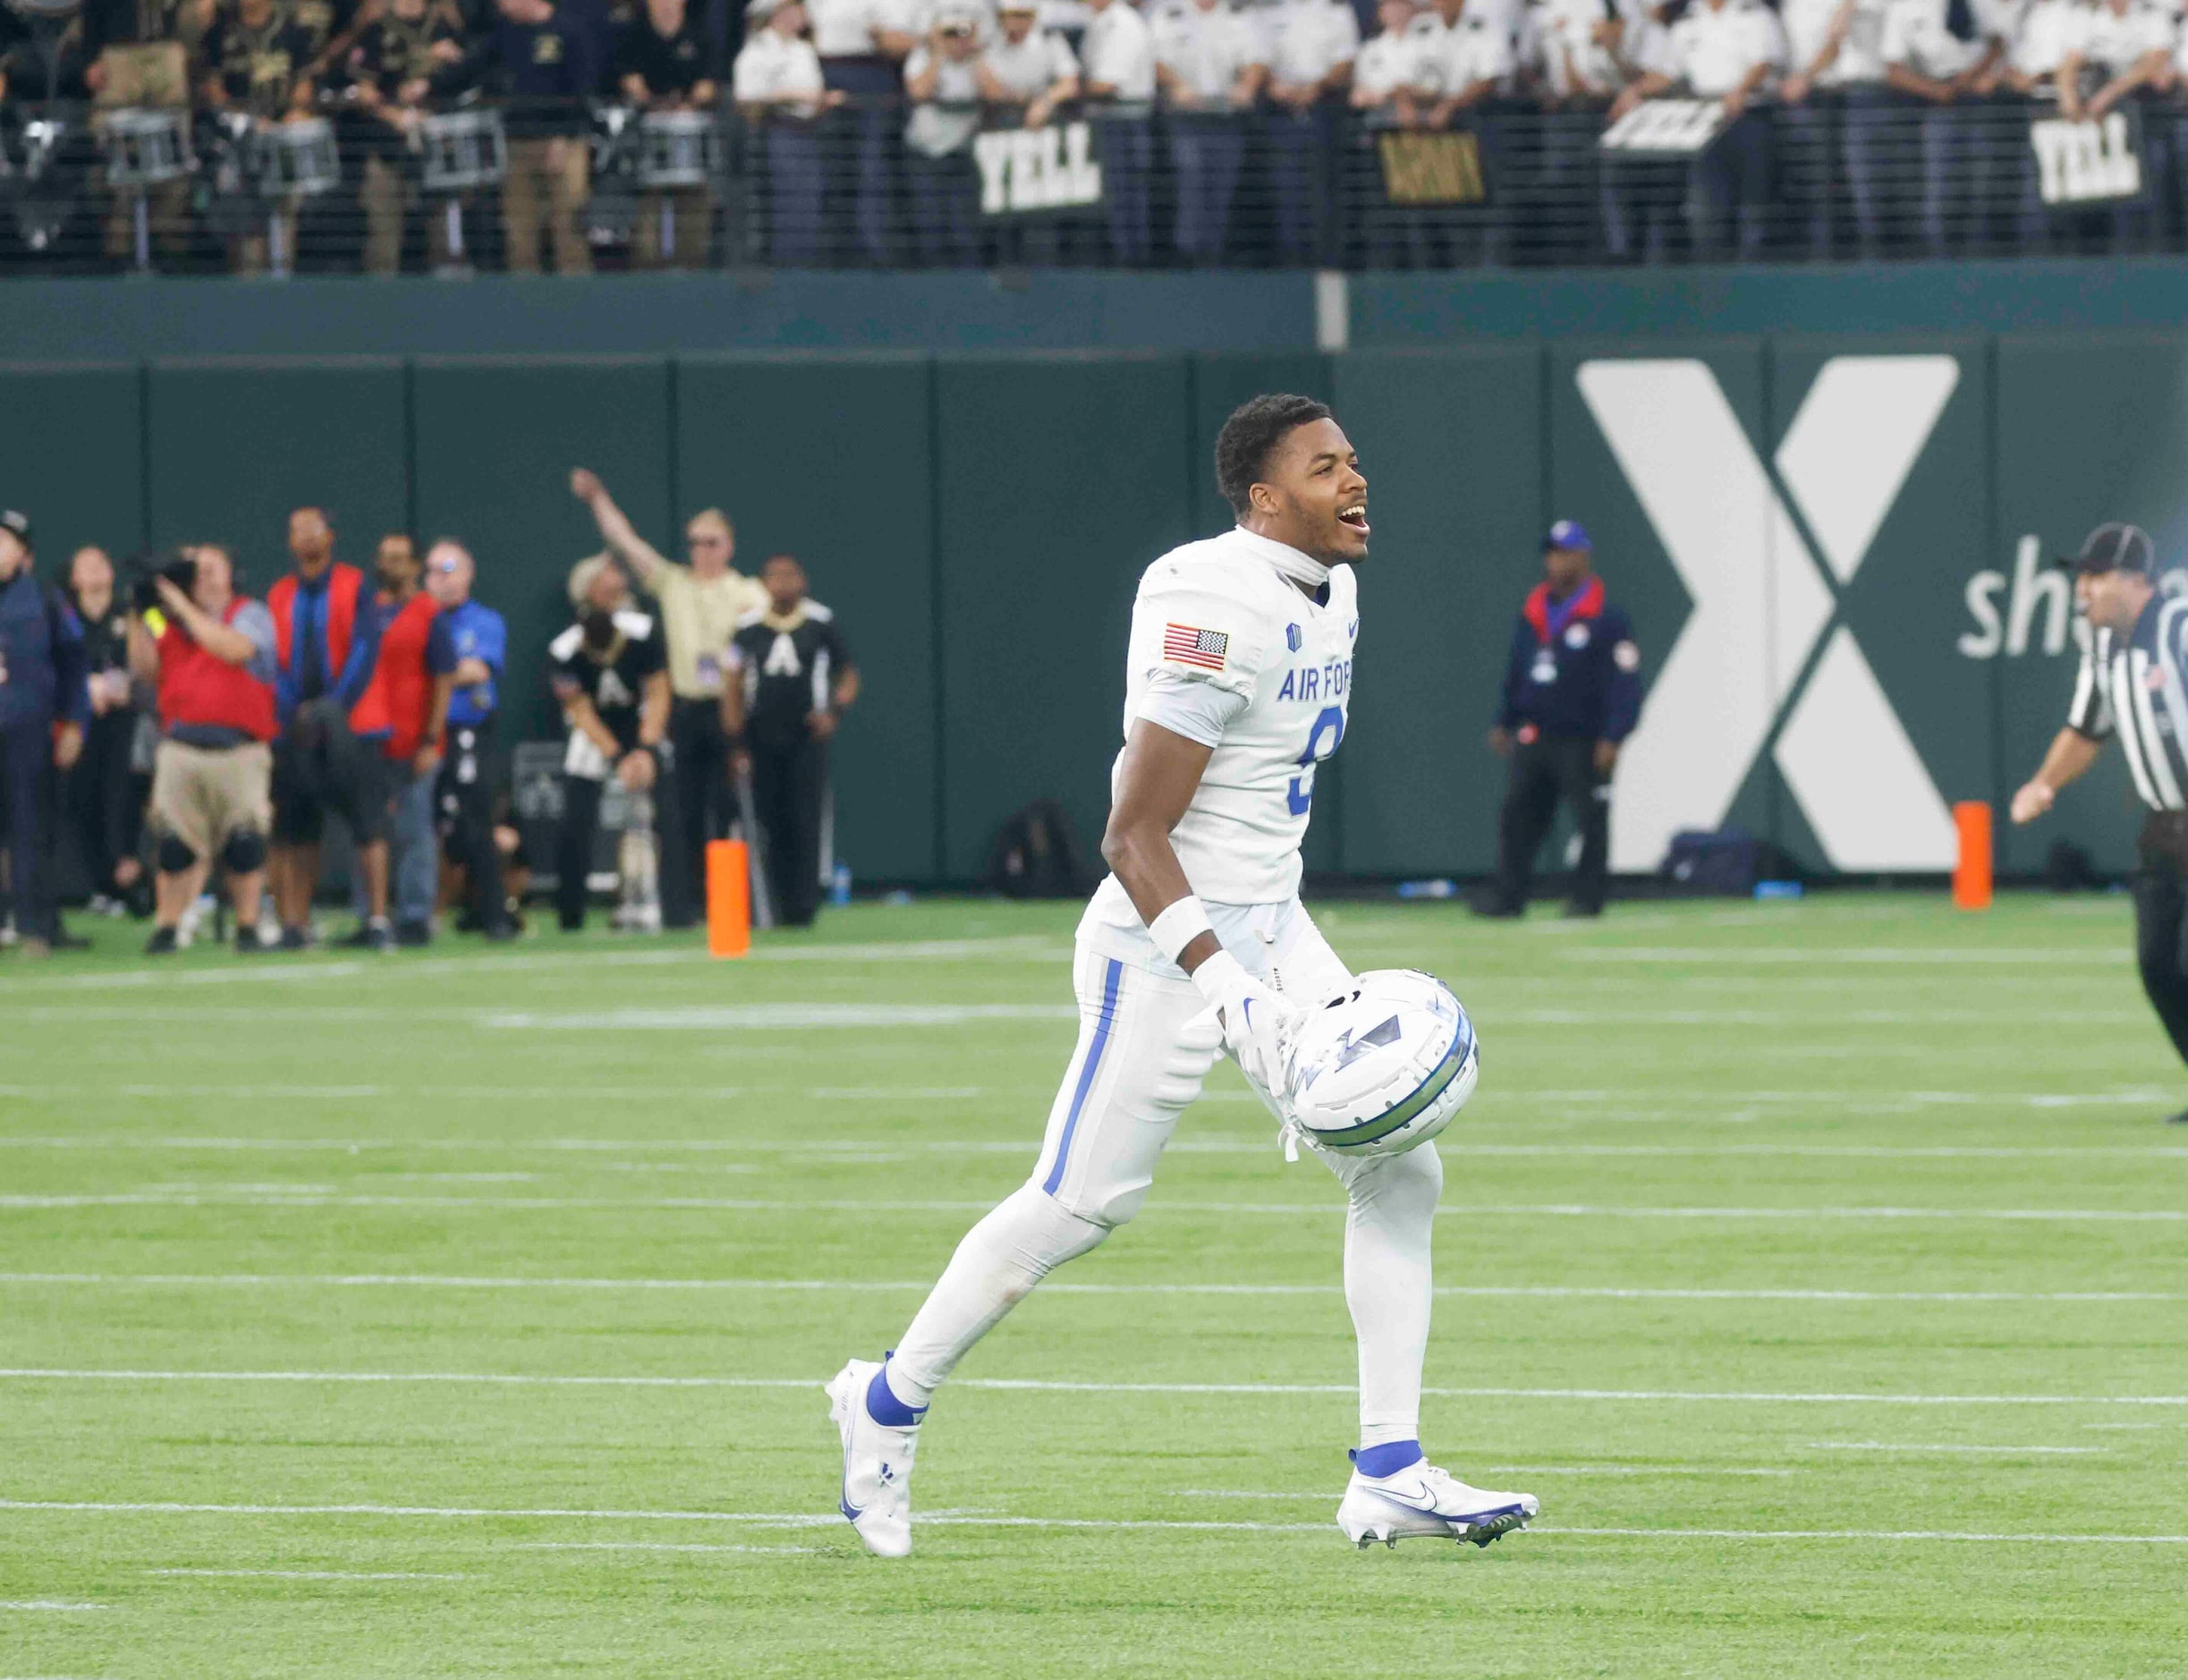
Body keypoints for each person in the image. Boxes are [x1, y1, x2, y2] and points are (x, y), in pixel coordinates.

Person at [825, 395, 1538, 1559]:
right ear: (1262, 496)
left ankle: (1388, 1467)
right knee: (1078, 1202)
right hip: (1163, 942)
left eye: (1354, 459)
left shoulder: (1333, 583)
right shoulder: (1209, 600)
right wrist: (1227, 983)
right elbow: (1131, 833)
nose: (1354, 481)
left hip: (1272, 922)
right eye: (1323, 467)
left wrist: (1274, 961)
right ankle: (885, 1400)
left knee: (1401, 1173)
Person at [2010, 523, 2188, 1125]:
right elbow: (2088, 728)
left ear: (2136, 580)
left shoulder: (2181, 627)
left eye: (2094, 575)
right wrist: (2043, 784)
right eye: (2080, 577)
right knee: (2159, 964)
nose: (2082, 589)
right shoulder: (2104, 647)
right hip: (2166, 827)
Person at [571, 466, 767, 929]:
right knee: (680, 812)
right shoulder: (673, 583)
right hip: (683, 708)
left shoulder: (748, 592)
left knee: (728, 811)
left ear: (728, 546)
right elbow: (627, 544)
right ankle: (685, 909)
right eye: (695, 541)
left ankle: (731, 909)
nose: (701, 550)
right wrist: (598, 497)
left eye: (711, 542)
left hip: (727, 708)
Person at [1475, 521, 1641, 920]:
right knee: (1518, 818)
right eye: (1552, 552)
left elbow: (1624, 683)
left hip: (1584, 738)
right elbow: (1518, 670)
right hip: (1536, 734)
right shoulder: (1533, 611)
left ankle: (1587, 898)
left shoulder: (1606, 618)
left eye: (1565, 552)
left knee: (1590, 821)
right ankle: (1509, 896)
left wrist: (1614, 735)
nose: (1557, 561)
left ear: (1583, 557)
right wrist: (1505, 718)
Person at [124, 545, 280, 955]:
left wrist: (182, 607)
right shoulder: (170, 624)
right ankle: (167, 926)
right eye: (199, 572)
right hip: (182, 745)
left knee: (245, 843)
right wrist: (141, 613)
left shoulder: (249, 614)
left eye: (214, 570)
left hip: (239, 747)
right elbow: (145, 668)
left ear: (232, 575)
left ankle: (246, 927)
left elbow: (234, 649)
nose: (206, 578)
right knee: (174, 845)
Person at [267, 506, 384, 951]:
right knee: (296, 828)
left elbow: (364, 648)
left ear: (330, 537)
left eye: (313, 529)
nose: (306, 537)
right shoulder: (280, 594)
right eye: (297, 530)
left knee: (366, 823)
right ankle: (296, 924)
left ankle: (375, 920)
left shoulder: (355, 585)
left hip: (351, 723)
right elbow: (276, 658)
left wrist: (334, 706)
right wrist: (293, 706)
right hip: (295, 726)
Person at [724, 554, 858, 927]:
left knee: (806, 818)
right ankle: (768, 903)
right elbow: (731, 681)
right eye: (774, 576)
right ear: (763, 582)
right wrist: (734, 740)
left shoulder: (821, 622)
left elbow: (848, 673)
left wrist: (833, 712)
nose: (782, 583)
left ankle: (803, 905)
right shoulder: (746, 626)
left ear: (803, 580)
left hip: (805, 737)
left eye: (790, 575)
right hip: (760, 736)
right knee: (766, 819)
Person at [548, 556, 671, 932]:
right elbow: (580, 711)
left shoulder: (644, 631)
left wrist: (646, 749)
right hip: (597, 733)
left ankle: (676, 904)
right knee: (576, 814)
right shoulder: (565, 647)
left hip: (642, 724)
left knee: (669, 803)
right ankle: (571, 913)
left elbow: (659, 692)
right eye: (606, 578)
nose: (615, 582)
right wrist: (616, 755)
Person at [344, 533, 454, 949]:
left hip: (414, 740)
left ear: (415, 566)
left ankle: (414, 916)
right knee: (368, 832)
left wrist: (431, 738)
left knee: (414, 831)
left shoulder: (430, 614)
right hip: (371, 739)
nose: (389, 566)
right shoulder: (370, 612)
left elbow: (444, 678)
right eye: (384, 557)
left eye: (398, 559)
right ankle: (370, 915)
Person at [1609, 0, 1783, 261]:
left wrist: (1741, 90)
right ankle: (1713, 277)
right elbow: (1667, 73)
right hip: (1705, 123)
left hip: (1750, 118)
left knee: (1754, 205)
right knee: (1707, 208)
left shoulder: (1756, 14)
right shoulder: (1687, 21)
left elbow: (1763, 64)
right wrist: (1634, 91)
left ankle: (1754, 272)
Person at [0, 509, 88, 956]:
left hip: (27, 734)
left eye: (4, 540)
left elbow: (74, 665)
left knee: (30, 828)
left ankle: (36, 926)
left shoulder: (46, 600)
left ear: (25, 554)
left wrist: (74, 723)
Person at [426, 539, 517, 939]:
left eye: (449, 569)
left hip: (469, 731)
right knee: (424, 824)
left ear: (467, 573)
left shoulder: (484, 620)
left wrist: (432, 673)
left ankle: (492, 913)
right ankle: (422, 913)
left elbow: (478, 669)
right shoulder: (420, 619)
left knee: (477, 822)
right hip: (425, 735)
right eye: (433, 571)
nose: (441, 579)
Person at [469, 0, 599, 274]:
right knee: (519, 233)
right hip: (517, 144)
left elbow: (583, 90)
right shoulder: (506, 32)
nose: (500, 7)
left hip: (565, 143)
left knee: (569, 229)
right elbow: (472, 66)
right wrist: (434, 77)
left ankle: (580, 304)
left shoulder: (568, 29)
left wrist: (564, 137)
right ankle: (524, 305)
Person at [348, 0, 471, 275]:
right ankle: (381, 306)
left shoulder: (445, 23)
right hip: (388, 147)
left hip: (440, 147)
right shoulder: (378, 29)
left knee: (445, 234)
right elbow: (364, 91)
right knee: (384, 236)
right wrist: (397, 116)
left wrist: (452, 57)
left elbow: (470, 74)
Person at [198, 0, 320, 275]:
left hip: (282, 139)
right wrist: (250, 121)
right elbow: (214, 93)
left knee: (285, 220)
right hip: (238, 143)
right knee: (247, 235)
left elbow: (303, 88)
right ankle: (249, 294)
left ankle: (282, 286)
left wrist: (293, 114)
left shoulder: (293, 32)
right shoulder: (220, 33)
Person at [63, 546, 148, 917]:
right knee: (83, 798)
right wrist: (86, 689)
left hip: (125, 724)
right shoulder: (63, 617)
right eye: (86, 565)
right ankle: (99, 885)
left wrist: (130, 684)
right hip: (81, 726)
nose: (96, 570)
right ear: (74, 579)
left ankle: (128, 881)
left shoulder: (134, 613)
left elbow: (159, 645)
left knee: (124, 797)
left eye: (102, 563)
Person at [1880, 0, 1997, 259]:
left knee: (1984, 189)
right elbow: (1894, 70)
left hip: (1983, 102)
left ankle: (1984, 263)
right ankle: (1939, 263)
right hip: (1939, 104)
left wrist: (1968, 79)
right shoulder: (1905, 7)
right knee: (1940, 195)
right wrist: (1939, 91)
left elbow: (1997, 44)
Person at [1776, 0, 1892, 260]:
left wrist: (1805, 78)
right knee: (1804, 185)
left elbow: (1835, 42)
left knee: (1847, 185)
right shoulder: (1789, 7)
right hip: (1794, 103)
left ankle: (1854, 256)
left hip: (1838, 99)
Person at [1154, 0, 1268, 264]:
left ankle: (1215, 258)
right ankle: (1187, 257)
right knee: (1191, 184)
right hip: (1186, 118)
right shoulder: (1170, 12)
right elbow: (1157, 61)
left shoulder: (1239, 14)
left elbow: (1257, 59)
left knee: (1221, 189)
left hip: (1226, 118)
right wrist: (1177, 85)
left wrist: (1247, 86)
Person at [617, 0, 724, 269]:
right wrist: (650, 100)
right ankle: (647, 273)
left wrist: (692, 100)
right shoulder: (634, 36)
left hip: (691, 137)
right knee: (647, 214)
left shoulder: (699, 36)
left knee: (694, 210)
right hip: (648, 138)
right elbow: (628, 80)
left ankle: (692, 270)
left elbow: (710, 84)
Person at [735, 0, 842, 267]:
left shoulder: (804, 50)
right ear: (778, 13)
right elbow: (746, 96)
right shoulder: (757, 48)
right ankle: (784, 268)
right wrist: (788, 95)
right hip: (777, 131)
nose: (803, 14)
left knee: (809, 203)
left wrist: (823, 101)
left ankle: (803, 266)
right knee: (787, 203)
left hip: (809, 132)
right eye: (795, 7)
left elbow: (813, 93)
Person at [1406, 0, 1513, 265]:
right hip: (1431, 127)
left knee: (1479, 201)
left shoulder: (1483, 28)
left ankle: (1482, 268)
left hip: (1474, 123)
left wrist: (1450, 104)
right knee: (1433, 204)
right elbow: (1408, 76)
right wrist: (1412, 102)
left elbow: (1490, 78)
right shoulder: (1422, 29)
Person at [1258, 0, 1357, 266]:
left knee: (1322, 187)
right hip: (1282, 111)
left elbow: (1345, 62)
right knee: (1286, 189)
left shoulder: (1337, 11)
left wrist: (1316, 87)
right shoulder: (1271, 11)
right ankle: (1291, 259)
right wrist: (1274, 85)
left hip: (1323, 109)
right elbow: (1260, 59)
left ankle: (1326, 260)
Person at [902, 6, 987, 265]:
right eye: (951, 34)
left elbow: (995, 93)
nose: (958, 40)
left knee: (965, 226)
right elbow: (919, 91)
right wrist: (937, 53)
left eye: (963, 33)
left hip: (963, 154)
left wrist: (976, 55)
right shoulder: (921, 57)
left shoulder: (977, 61)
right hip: (926, 153)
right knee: (930, 225)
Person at [1079, 0, 1157, 264]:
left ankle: (1133, 267)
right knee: (1115, 198)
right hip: (1110, 122)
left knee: (1127, 199)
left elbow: (1106, 86)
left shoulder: (1123, 24)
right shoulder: (1098, 20)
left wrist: (1059, 95)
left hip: (1125, 124)